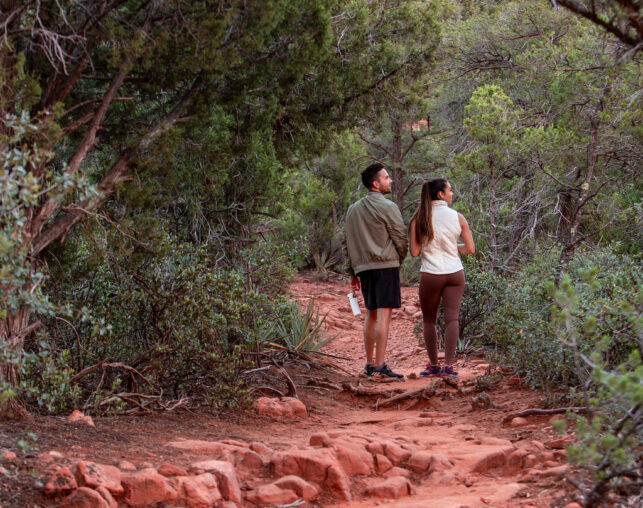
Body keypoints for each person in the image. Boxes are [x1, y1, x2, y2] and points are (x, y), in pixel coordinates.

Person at [343, 163, 408, 378]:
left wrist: (352, 273)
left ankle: (369, 365)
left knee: (370, 315)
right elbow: (400, 237)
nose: (390, 181)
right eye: (386, 178)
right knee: (384, 316)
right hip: (386, 265)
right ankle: (380, 366)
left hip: (363, 269)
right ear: (375, 183)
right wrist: (400, 260)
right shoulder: (388, 207)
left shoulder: (352, 210)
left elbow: (347, 243)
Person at [408, 179, 475, 377]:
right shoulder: (458, 217)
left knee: (429, 321)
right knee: (452, 319)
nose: (451, 194)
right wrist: (450, 247)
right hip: (455, 273)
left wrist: (433, 246)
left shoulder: (418, 218)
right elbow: (470, 249)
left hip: (431, 274)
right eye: (449, 190)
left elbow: (414, 252)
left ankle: (434, 366)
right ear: (440, 194)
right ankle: (449, 367)